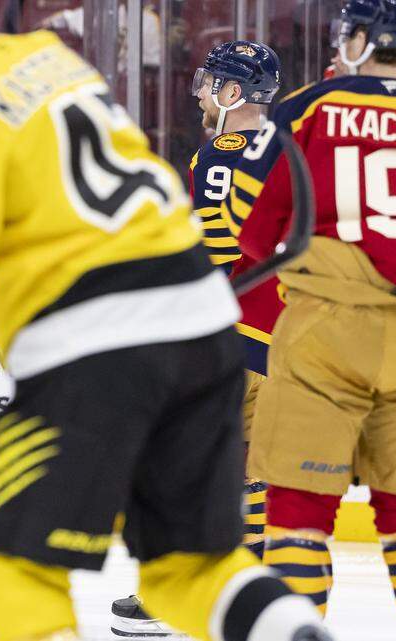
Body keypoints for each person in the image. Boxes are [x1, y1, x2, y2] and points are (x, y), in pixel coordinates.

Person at [0, 2, 334, 641]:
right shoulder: (47, 58)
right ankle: (292, 631)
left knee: (9, 575)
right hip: (205, 328)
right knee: (189, 574)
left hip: (96, 340)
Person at [231, 0, 396, 633]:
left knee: (298, 503)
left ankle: (296, 629)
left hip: (325, 328)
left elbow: (258, 238)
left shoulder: (309, 107)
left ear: (365, 39)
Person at [110, 39, 284, 638]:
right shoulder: (289, 149)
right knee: (250, 469)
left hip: (225, 336)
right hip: (280, 336)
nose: (203, 93)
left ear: (234, 93)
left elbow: (212, 255)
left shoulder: (218, 156)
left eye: (213, 83)